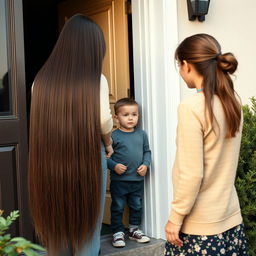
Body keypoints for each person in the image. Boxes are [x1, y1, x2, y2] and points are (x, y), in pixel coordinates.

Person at [29, 14, 113, 256]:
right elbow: (103, 121)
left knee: (55, 219)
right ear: (93, 48)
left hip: (48, 157)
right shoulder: (96, 79)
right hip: (87, 155)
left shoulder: (40, 81)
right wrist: (108, 143)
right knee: (87, 223)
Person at [164, 33, 248, 255]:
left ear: (187, 65)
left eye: (179, 65)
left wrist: (175, 217)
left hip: (200, 226)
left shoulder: (191, 107)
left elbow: (191, 174)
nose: (180, 72)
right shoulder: (232, 101)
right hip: (230, 219)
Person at [107, 98, 151, 248]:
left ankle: (134, 230)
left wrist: (145, 165)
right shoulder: (113, 136)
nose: (131, 118)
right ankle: (117, 233)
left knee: (136, 206)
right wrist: (114, 166)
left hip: (137, 180)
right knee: (118, 206)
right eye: (126, 115)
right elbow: (105, 157)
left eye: (134, 114)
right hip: (119, 181)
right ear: (116, 117)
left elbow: (147, 152)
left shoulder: (141, 134)